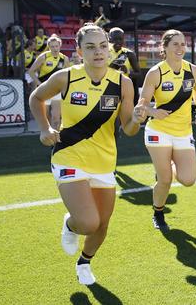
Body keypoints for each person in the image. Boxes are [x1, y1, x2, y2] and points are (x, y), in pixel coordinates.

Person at [29, 23, 147, 285]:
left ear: (109, 48)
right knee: (87, 222)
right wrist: (45, 128)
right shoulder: (66, 77)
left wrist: (137, 118)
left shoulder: (123, 84)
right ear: (80, 52)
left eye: (103, 46)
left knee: (102, 226)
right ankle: (71, 225)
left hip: (105, 163)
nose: (99, 52)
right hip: (68, 155)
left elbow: (128, 129)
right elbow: (36, 98)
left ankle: (84, 262)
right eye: (91, 47)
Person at [140, 29, 196, 231]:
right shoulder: (155, 73)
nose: (180, 48)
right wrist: (152, 111)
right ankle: (158, 213)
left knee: (188, 180)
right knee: (165, 180)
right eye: (175, 44)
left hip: (184, 132)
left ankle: (165, 167)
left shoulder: (193, 70)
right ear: (165, 47)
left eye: (183, 44)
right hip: (158, 132)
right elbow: (141, 105)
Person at [28, 34, 70, 128]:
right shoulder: (44, 57)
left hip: (56, 90)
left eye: (56, 46)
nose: (55, 48)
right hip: (44, 90)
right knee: (46, 118)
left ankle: (56, 139)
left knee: (56, 118)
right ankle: (48, 134)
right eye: (52, 46)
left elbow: (69, 75)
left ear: (60, 46)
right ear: (49, 47)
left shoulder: (64, 59)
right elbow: (31, 72)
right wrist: (39, 83)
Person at [108, 27, 140, 103]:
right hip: (107, 88)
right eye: (115, 39)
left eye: (120, 39)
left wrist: (128, 72)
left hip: (124, 89)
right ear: (109, 38)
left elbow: (139, 74)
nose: (118, 42)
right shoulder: (103, 53)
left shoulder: (129, 54)